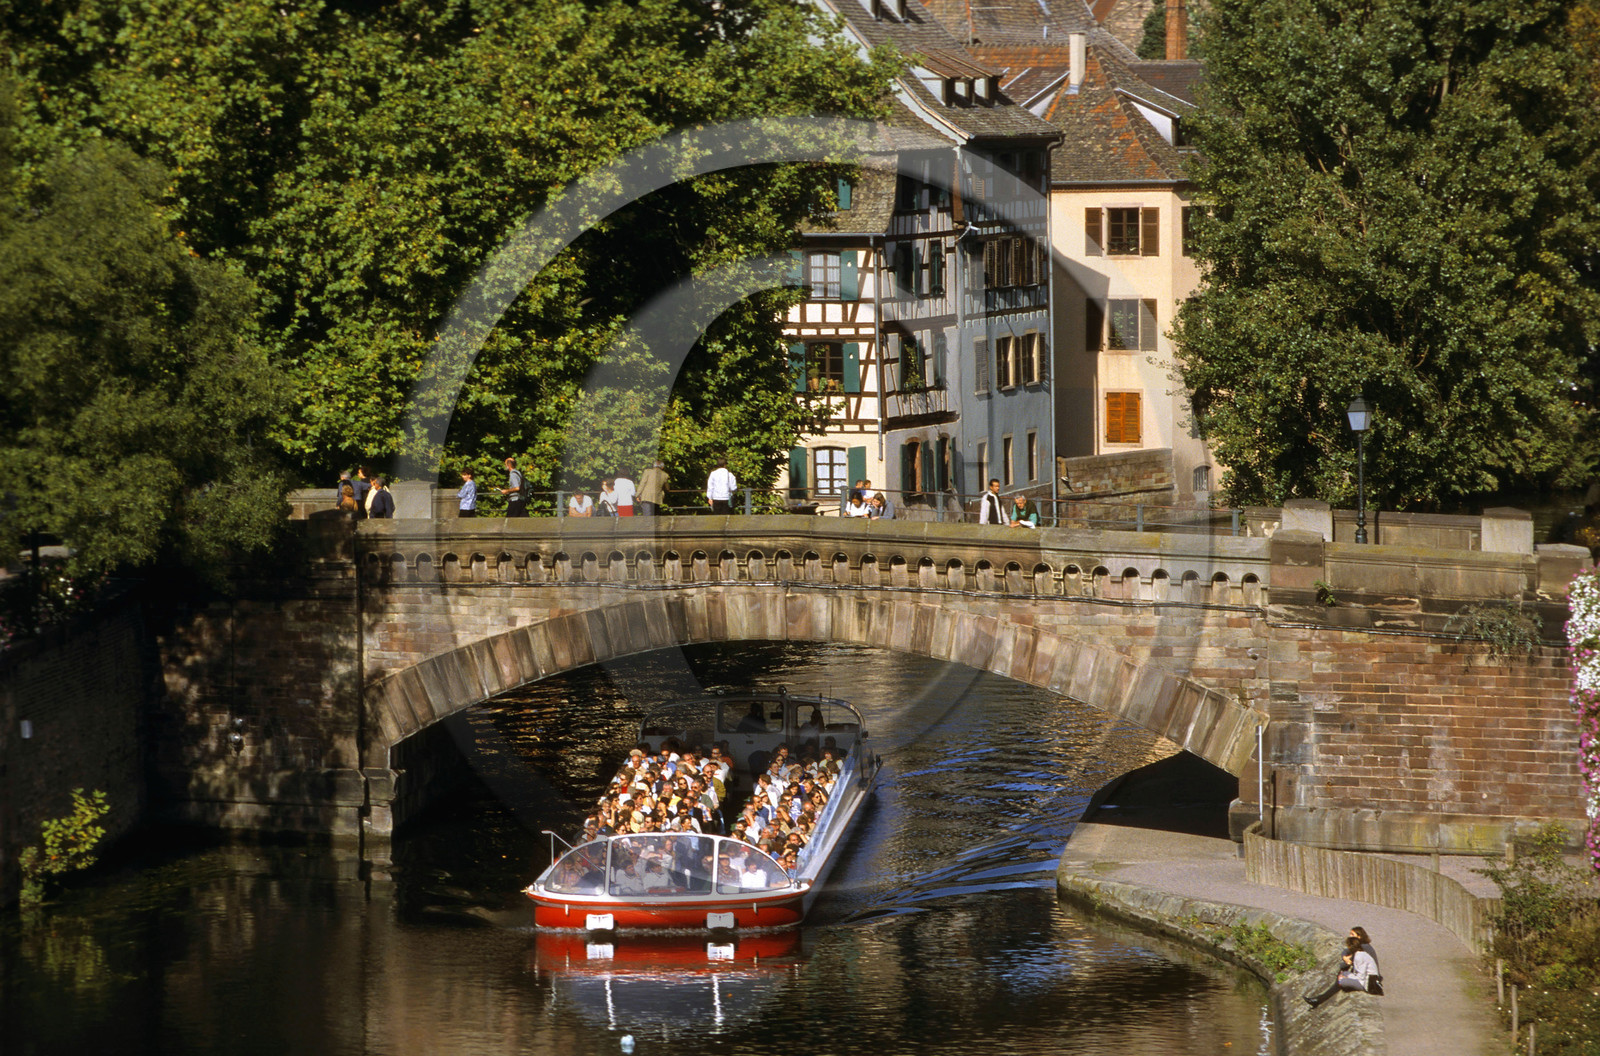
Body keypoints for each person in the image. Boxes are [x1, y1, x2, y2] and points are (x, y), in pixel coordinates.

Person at [1305, 934, 1380, 1006]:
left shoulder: (1359, 956)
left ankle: (1319, 1000)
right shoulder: (1359, 953)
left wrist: (1346, 978)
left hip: (1369, 984)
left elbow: (1361, 977)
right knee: (1342, 975)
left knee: (1341, 981)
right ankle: (1319, 999)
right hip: (1367, 979)